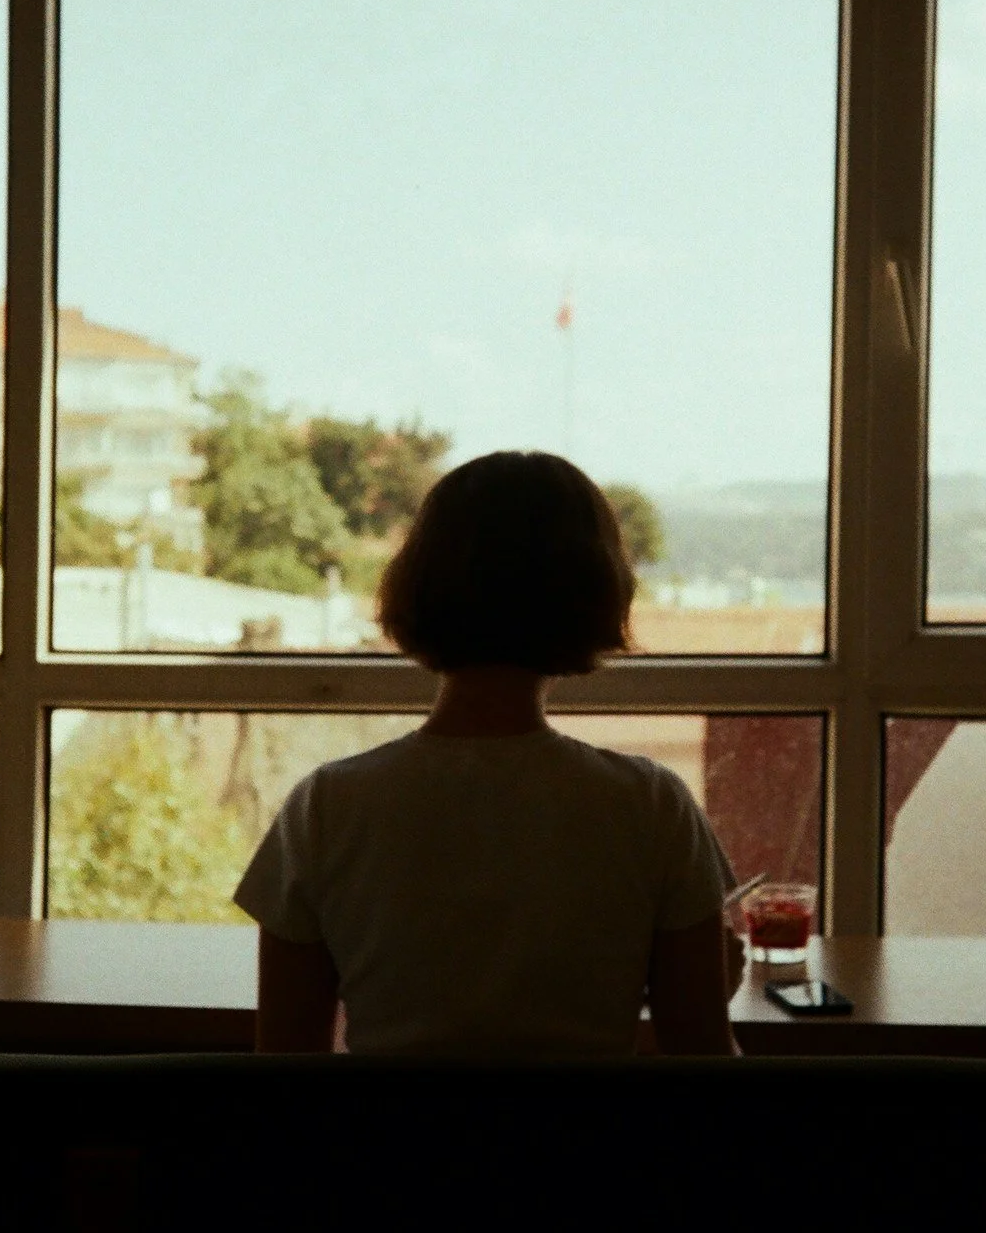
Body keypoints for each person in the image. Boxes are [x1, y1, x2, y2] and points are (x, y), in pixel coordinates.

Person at [234, 450, 744, 1057]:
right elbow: (703, 1074)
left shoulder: (325, 807)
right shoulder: (652, 806)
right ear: (597, 591)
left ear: (418, 583)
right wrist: (704, 991)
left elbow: (284, 1073)